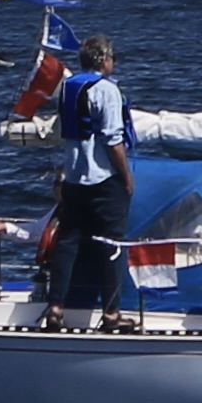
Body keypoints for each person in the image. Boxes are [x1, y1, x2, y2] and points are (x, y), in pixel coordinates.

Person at [40, 35, 131, 331]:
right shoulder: (106, 89)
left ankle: (55, 307)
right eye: (112, 57)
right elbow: (113, 139)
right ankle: (111, 313)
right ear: (103, 60)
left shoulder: (67, 87)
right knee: (112, 245)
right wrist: (126, 177)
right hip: (103, 178)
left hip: (74, 177)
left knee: (67, 243)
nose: (113, 62)